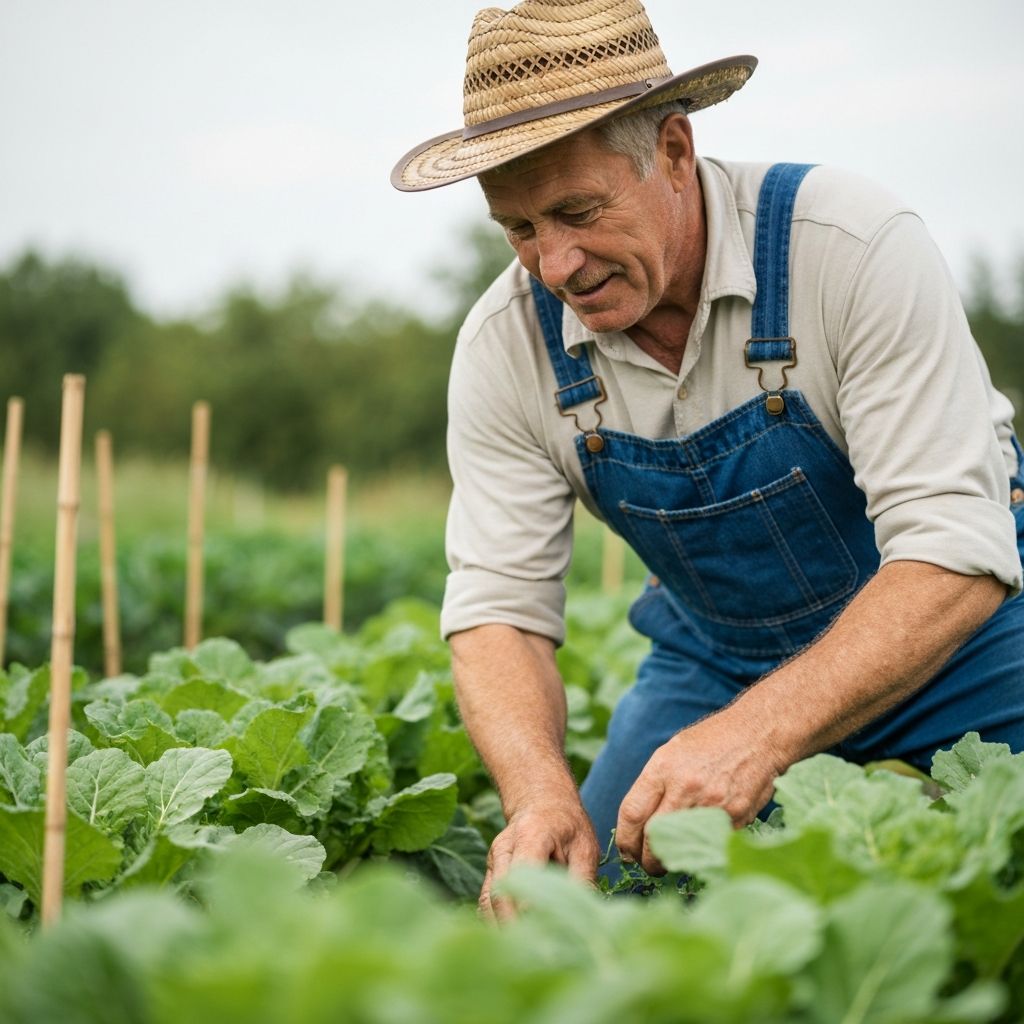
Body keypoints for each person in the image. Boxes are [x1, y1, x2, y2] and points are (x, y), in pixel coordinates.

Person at [391, 0, 1024, 917]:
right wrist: (537, 798)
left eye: (577, 210)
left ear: (677, 151)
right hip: (718, 658)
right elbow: (500, 610)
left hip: (959, 636)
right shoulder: (504, 347)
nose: (556, 263)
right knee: (589, 902)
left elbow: (955, 549)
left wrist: (758, 737)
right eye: (520, 228)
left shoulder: (847, 249)